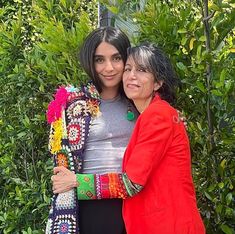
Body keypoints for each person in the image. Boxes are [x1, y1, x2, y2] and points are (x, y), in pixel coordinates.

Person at [52, 43, 206, 234]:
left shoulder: (158, 115)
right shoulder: (153, 114)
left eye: (142, 70)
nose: (132, 75)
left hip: (168, 224)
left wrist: (76, 182)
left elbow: (130, 183)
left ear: (158, 83)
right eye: (128, 69)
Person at [46, 26, 138, 234]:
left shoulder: (138, 100)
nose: (109, 68)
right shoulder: (72, 102)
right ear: (90, 61)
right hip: (92, 204)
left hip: (134, 201)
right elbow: (61, 159)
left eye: (116, 58)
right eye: (100, 60)